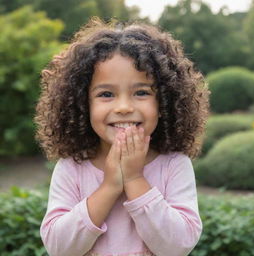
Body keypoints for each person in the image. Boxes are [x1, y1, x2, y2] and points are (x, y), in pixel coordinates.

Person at [35, 17, 210, 256]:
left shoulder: (174, 165)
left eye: (141, 92)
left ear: (164, 102)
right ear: (83, 104)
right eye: (106, 94)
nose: (124, 107)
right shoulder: (72, 168)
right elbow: (59, 247)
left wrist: (135, 178)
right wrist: (109, 186)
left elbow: (177, 247)